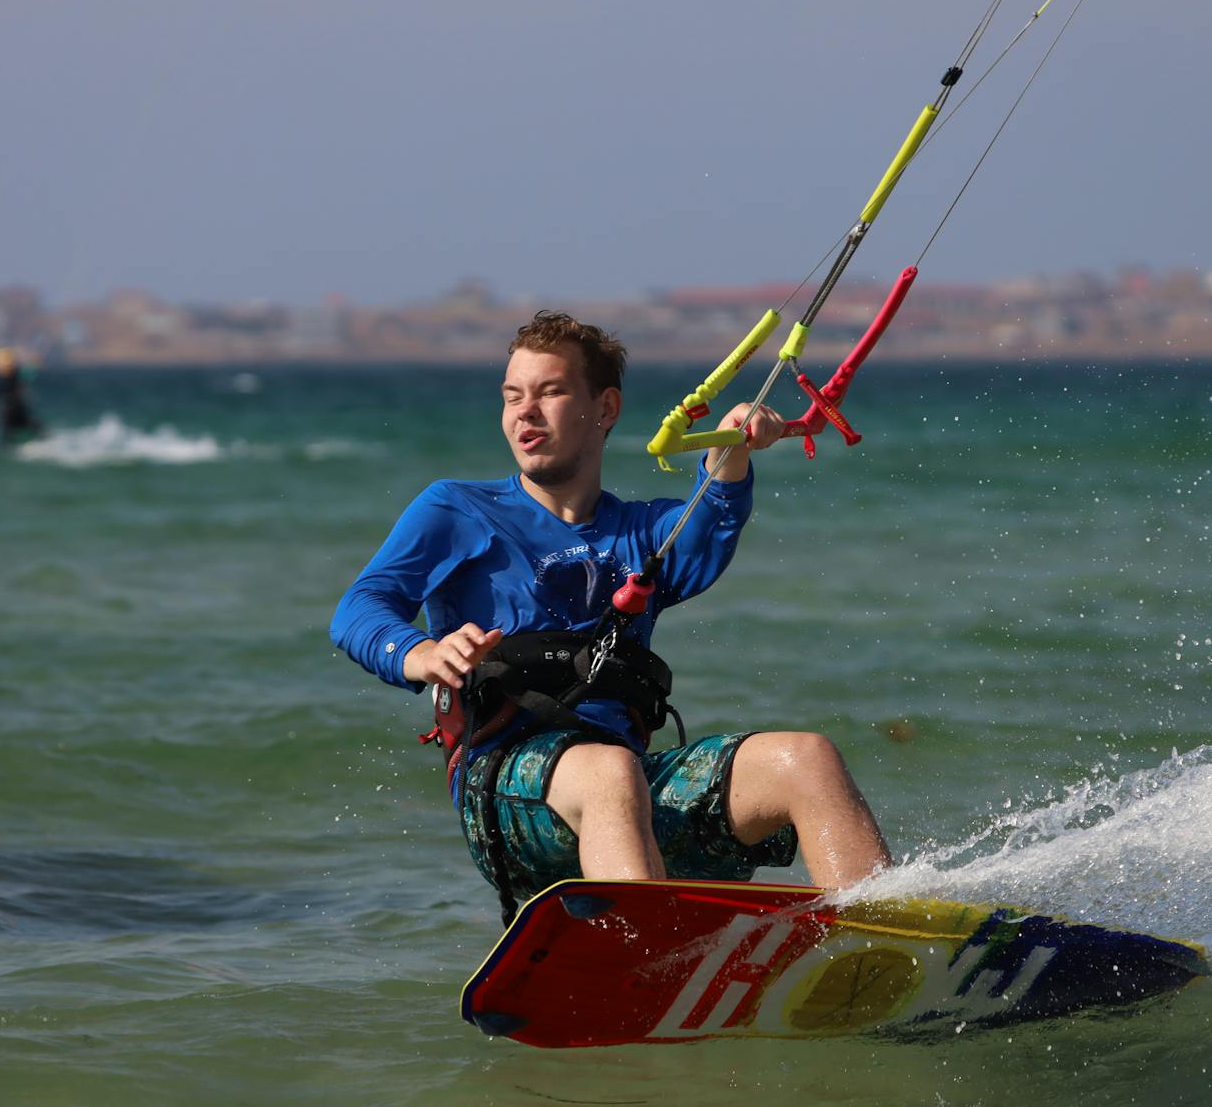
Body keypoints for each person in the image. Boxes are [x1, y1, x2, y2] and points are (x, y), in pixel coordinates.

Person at [330, 311, 890, 917]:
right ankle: (650, 958)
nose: (525, 412)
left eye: (550, 392)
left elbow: (708, 525)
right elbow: (358, 609)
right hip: (506, 789)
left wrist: (733, 445)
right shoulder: (455, 509)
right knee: (609, 774)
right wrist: (422, 653)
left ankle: (884, 942)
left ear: (605, 408)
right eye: (513, 396)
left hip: (628, 793)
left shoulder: (641, 532)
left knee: (807, 760)